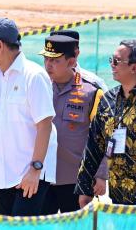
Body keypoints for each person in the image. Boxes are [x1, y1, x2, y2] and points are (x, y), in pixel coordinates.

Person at [0, 17, 58, 217]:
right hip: (3, 178)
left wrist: (35, 170)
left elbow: (45, 126)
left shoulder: (33, 76)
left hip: (30, 177)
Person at [77, 40, 136, 206]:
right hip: (118, 200)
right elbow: (94, 145)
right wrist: (84, 188)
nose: (112, 64)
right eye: (112, 59)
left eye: (117, 61)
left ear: (135, 67)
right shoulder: (107, 100)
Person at [39, 35, 107, 214]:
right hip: (41, 177)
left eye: (55, 60)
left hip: (76, 180)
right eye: (46, 59)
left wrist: (100, 175)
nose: (48, 65)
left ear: (71, 61)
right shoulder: (38, 88)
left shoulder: (91, 93)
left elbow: (104, 137)